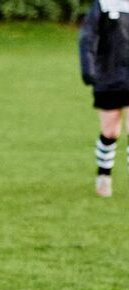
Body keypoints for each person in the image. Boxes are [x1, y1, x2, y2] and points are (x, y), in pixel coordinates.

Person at [79, 0, 129, 197]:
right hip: (108, 76)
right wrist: (88, 69)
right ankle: (104, 175)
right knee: (110, 131)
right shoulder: (103, 5)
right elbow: (87, 38)